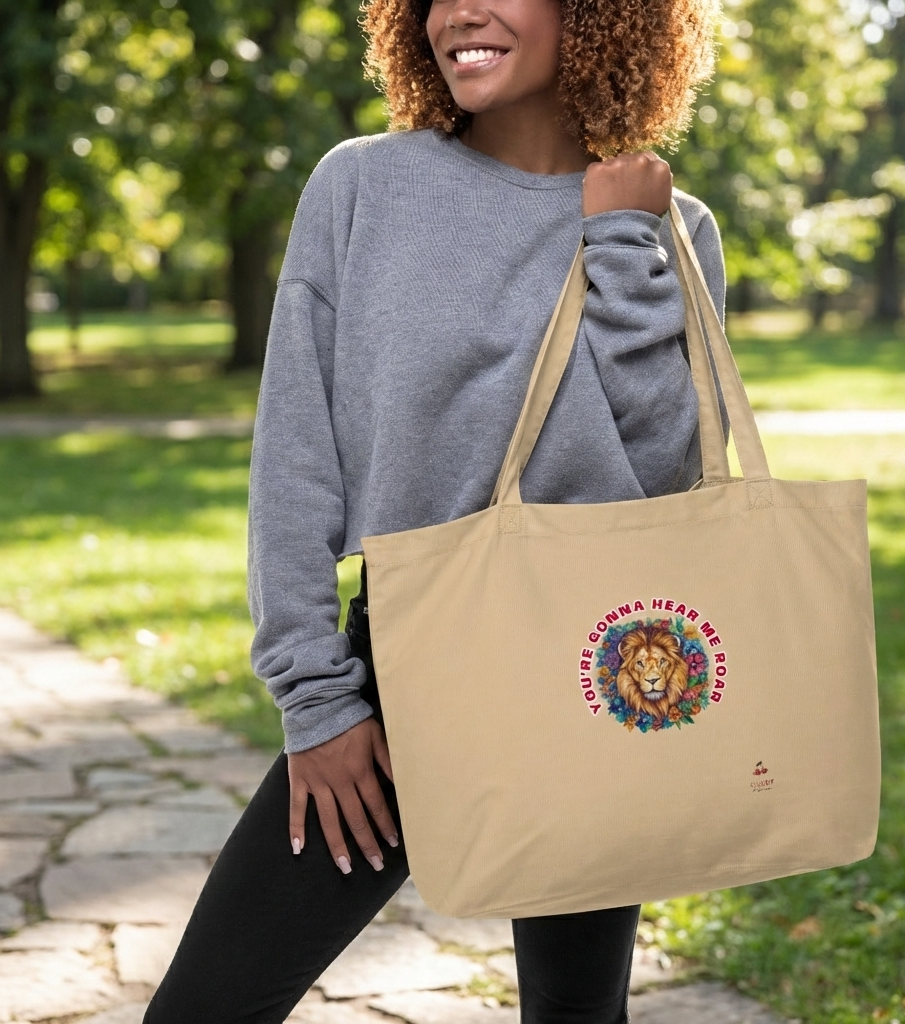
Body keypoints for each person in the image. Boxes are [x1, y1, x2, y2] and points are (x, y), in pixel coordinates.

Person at [144, 0, 722, 1020]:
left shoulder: (671, 224)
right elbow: (295, 458)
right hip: (405, 671)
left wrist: (623, 242)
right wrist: (316, 695)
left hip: (598, 672)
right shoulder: (362, 186)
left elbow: (662, 479)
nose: (459, 10)